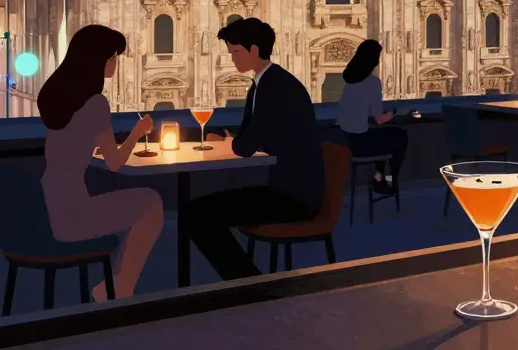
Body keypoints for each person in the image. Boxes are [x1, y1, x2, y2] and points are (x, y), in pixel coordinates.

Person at [182, 17, 325, 281]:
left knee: (196, 214)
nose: (233, 59)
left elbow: (246, 147)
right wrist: (232, 140)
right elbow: (256, 136)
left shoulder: (273, 86)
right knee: (198, 212)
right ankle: (246, 281)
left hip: (294, 196)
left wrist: (230, 143)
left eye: (236, 51)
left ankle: (248, 284)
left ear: (255, 50)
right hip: (289, 188)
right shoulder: (269, 82)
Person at [38, 24, 163, 301]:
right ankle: (121, 289)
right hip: (72, 211)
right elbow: (116, 162)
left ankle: (115, 285)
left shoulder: (57, 96)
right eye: (113, 57)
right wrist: (137, 133)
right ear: (98, 60)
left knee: (141, 205)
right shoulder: (95, 103)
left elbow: (70, 143)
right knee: (151, 203)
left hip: (50, 202)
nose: (115, 64)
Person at [336, 39, 407, 195]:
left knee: (382, 137)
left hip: (347, 142)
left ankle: (379, 177)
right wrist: (394, 112)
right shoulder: (372, 82)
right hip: (361, 145)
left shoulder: (349, 82)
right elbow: (379, 119)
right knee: (400, 137)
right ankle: (389, 180)